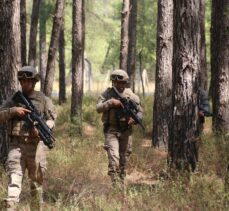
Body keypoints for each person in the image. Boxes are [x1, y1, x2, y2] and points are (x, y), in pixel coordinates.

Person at [0, 66, 56, 210]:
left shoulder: (43, 99)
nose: (25, 84)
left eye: (28, 81)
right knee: (14, 181)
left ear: (34, 82)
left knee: (36, 186)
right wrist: (13, 111)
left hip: (36, 147)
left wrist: (44, 128)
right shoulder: (14, 99)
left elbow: (52, 119)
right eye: (22, 81)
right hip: (16, 146)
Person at [96, 69, 143, 187]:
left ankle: (120, 182)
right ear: (113, 82)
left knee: (124, 159)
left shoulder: (131, 95)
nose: (119, 85)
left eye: (122, 83)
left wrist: (136, 119)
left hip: (126, 131)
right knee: (114, 158)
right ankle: (115, 185)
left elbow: (140, 111)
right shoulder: (107, 94)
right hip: (111, 130)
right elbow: (98, 108)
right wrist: (111, 103)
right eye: (117, 83)